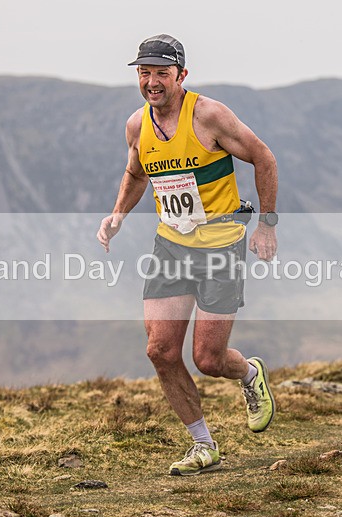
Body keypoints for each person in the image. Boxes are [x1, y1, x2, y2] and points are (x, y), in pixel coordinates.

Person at [97, 34, 279, 476]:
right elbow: (136, 171)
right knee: (160, 350)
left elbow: (264, 159)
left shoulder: (209, 116)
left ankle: (249, 373)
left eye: (162, 72)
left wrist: (266, 226)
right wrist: (118, 214)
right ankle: (203, 445)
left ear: (181, 75)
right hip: (171, 246)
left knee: (208, 360)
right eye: (145, 73)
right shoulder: (137, 125)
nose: (152, 82)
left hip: (220, 248)